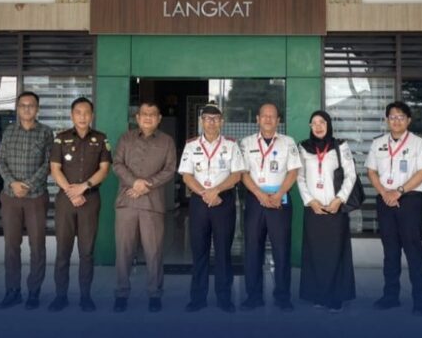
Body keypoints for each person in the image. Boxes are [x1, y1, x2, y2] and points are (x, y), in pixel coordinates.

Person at [365, 101, 422, 315]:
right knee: (390, 251)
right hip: (385, 201)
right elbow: (371, 172)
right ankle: (390, 296)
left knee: (413, 250)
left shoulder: (418, 143)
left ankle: (419, 301)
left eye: (401, 117)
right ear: (387, 120)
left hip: (409, 200)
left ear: (408, 120)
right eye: (392, 117)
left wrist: (399, 191)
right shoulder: (378, 143)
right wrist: (385, 193)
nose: (396, 121)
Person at [177, 103, 246, 313]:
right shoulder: (191, 145)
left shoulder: (231, 145)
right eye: (207, 118)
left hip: (223, 201)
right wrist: (205, 193)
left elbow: (237, 175)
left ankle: (224, 298)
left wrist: (216, 191)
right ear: (201, 121)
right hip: (200, 201)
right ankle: (198, 298)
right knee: (199, 251)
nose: (211, 122)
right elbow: (186, 175)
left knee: (223, 252)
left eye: (215, 119)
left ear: (221, 122)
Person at [112, 101, 177, 313]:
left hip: (152, 204)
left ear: (159, 118)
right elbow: (117, 164)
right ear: (137, 118)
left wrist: (145, 184)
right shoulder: (126, 138)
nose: (148, 117)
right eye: (144, 114)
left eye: (153, 114)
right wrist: (134, 182)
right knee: (124, 252)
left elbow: (170, 170)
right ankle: (121, 293)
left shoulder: (167, 141)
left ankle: (155, 294)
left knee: (154, 252)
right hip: (126, 202)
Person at [49, 97, 111, 312]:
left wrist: (83, 187)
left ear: (92, 115)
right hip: (66, 200)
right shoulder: (61, 138)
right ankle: (61, 296)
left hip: (90, 199)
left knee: (87, 251)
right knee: (62, 251)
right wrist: (71, 191)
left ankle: (85, 296)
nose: (82, 116)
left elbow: (104, 169)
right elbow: (55, 169)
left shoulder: (101, 139)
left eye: (86, 112)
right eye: (78, 112)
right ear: (71, 115)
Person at [238, 103, 301, 312]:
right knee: (252, 250)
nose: (268, 119)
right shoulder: (246, 143)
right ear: (257, 119)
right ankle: (253, 296)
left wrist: (279, 194)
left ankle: (282, 297)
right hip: (256, 201)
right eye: (264, 115)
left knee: (281, 251)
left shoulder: (288, 142)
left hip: (279, 201)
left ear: (278, 120)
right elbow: (243, 173)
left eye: (272, 116)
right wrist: (260, 194)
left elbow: (293, 171)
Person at [0, 91, 54, 310]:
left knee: (37, 245)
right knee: (11, 245)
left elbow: (48, 164)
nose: (27, 109)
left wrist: (28, 184)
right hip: (10, 197)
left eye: (31, 105)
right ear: (17, 108)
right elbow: (1, 161)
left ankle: (34, 292)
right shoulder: (9, 131)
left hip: (35, 197)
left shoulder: (46, 132)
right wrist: (12, 183)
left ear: (37, 109)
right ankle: (12, 291)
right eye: (23, 105)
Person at [297, 110, 356, 313]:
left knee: (336, 254)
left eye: (322, 122)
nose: (318, 126)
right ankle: (318, 295)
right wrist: (310, 201)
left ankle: (335, 297)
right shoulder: (303, 147)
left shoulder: (340, 146)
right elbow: (299, 177)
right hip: (314, 209)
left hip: (335, 209)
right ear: (310, 126)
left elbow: (351, 175)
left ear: (328, 124)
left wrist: (340, 199)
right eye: (314, 123)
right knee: (315, 254)